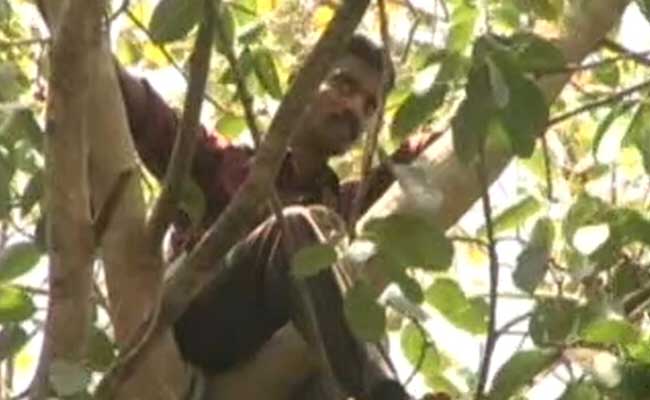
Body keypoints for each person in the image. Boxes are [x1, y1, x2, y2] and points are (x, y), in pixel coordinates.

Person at [117, 34, 438, 399]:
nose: (354, 110)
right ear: (302, 78)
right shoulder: (225, 164)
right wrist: (84, 53)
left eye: (369, 107)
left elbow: (419, 158)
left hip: (275, 367)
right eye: (344, 85)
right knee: (297, 227)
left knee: (343, 299)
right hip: (200, 325)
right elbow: (146, 114)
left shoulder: (349, 203)